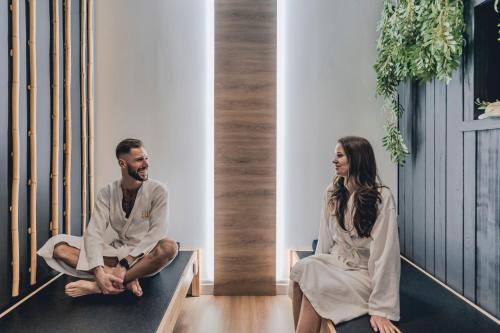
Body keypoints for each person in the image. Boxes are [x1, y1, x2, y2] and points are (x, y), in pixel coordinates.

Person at [38, 138, 178, 297]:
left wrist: (125, 264)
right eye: (139, 160)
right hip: (116, 251)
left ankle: (97, 287)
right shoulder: (107, 192)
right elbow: (94, 233)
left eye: (146, 158)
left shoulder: (158, 190)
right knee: (59, 248)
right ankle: (120, 279)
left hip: (144, 255)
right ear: (122, 164)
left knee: (169, 247)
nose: (146, 164)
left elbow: (157, 232)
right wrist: (98, 270)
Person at [290, 136, 401, 333]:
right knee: (302, 271)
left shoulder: (381, 198)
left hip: (363, 273)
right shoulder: (332, 191)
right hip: (337, 261)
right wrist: (318, 265)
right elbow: (324, 237)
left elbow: (385, 254)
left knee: (312, 290)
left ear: (356, 159)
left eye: (339, 156)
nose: (334, 160)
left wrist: (381, 308)